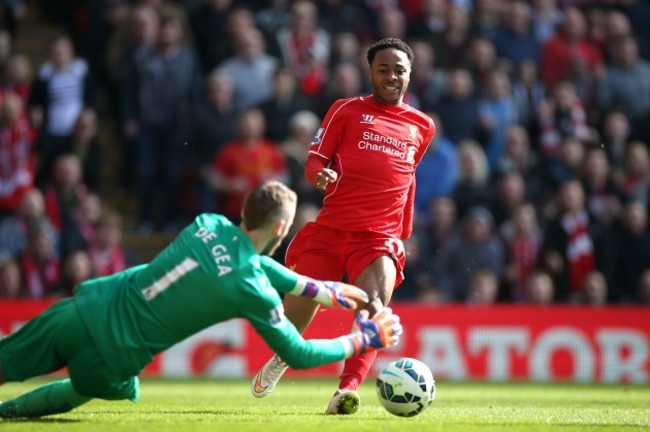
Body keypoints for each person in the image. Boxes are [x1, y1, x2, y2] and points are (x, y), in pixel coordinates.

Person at [0, 180, 403, 419]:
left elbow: (252, 262)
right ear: (281, 227)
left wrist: (324, 291)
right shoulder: (251, 289)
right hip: (112, 358)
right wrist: (361, 339)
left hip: (82, 310)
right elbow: (297, 352)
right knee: (98, 389)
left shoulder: (206, 223)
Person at [251, 37, 435, 415]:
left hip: (379, 237)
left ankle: (346, 391)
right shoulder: (346, 110)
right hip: (333, 229)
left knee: (374, 307)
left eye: (399, 69)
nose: (391, 76)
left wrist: (404, 231)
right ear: (370, 72)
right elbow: (314, 161)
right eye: (383, 68)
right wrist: (320, 176)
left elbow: (408, 178)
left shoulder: (422, 125)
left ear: (410, 73)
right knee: (297, 314)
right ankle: (282, 357)